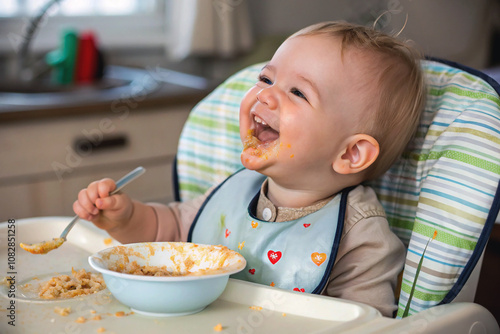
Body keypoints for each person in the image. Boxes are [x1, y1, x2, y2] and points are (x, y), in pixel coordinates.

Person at [73, 21, 425, 317]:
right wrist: (126, 218)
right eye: (266, 79)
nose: (265, 96)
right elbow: (172, 233)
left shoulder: (359, 235)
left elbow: (366, 323)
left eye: (299, 93)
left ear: (351, 154)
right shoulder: (237, 191)